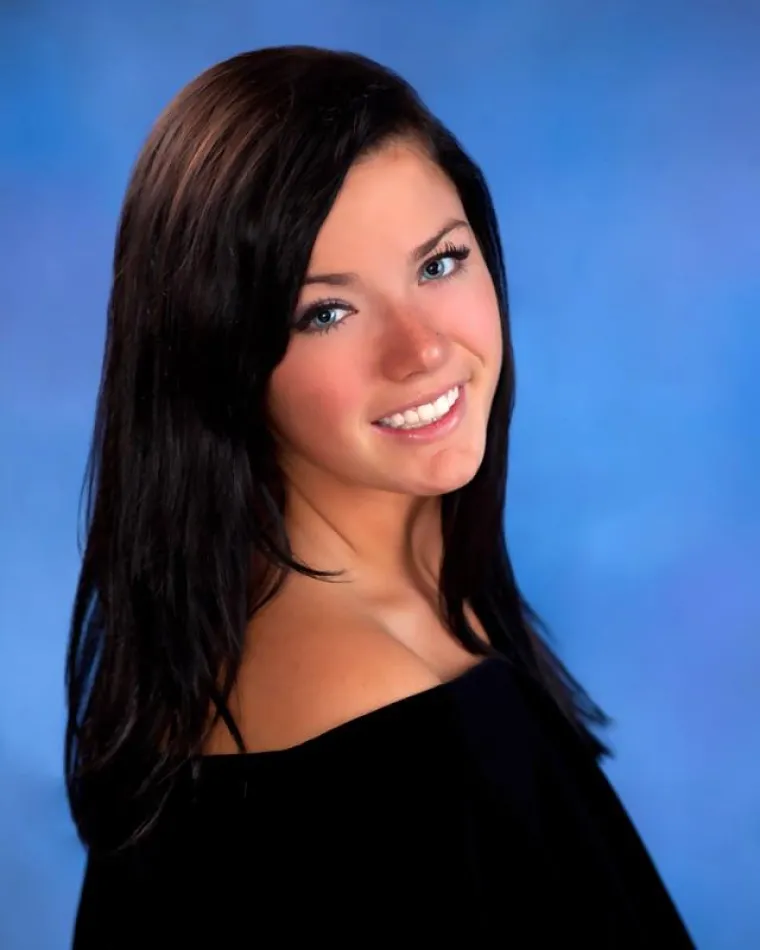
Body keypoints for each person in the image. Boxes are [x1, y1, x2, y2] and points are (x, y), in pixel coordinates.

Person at [65, 46, 695, 946]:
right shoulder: (391, 727)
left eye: (438, 264)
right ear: (221, 359)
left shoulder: (329, 641)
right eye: (326, 312)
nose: (422, 350)